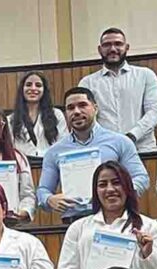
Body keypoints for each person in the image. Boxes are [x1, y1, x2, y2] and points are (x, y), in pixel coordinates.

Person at [37, 87, 149, 223]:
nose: (77, 111)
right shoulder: (54, 152)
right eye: (70, 108)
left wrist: (120, 191)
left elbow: (141, 178)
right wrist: (49, 199)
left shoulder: (120, 142)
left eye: (82, 105)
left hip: (114, 218)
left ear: (95, 108)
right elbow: (43, 190)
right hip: (73, 222)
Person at [78, 28, 157, 153]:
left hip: (142, 150)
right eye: (107, 45)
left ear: (127, 47)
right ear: (99, 49)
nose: (113, 49)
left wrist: (132, 136)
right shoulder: (87, 83)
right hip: (104, 151)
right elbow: (87, 119)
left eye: (118, 44)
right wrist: (107, 142)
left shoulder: (146, 75)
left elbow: (155, 112)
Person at [9, 71, 67, 159]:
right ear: (22, 89)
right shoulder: (10, 120)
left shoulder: (57, 115)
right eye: (28, 84)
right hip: (23, 167)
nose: (33, 88)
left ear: (44, 90)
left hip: (52, 164)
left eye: (38, 85)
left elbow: (63, 144)